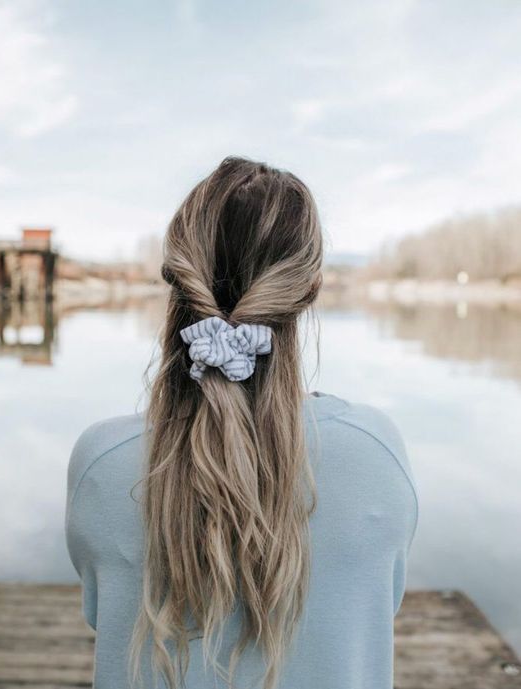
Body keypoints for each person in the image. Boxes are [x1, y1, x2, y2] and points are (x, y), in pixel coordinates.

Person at [65, 156, 419, 689]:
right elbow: (379, 603)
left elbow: (100, 612)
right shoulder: (377, 450)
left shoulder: (103, 460)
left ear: (177, 278)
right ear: (309, 289)